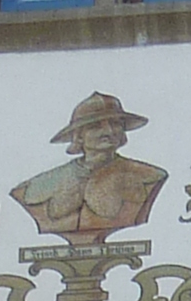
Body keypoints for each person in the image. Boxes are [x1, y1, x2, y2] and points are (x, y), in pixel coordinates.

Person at [12, 94, 167, 244]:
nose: (109, 131)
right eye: (95, 126)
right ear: (79, 136)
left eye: (115, 124)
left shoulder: (150, 176)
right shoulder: (35, 186)